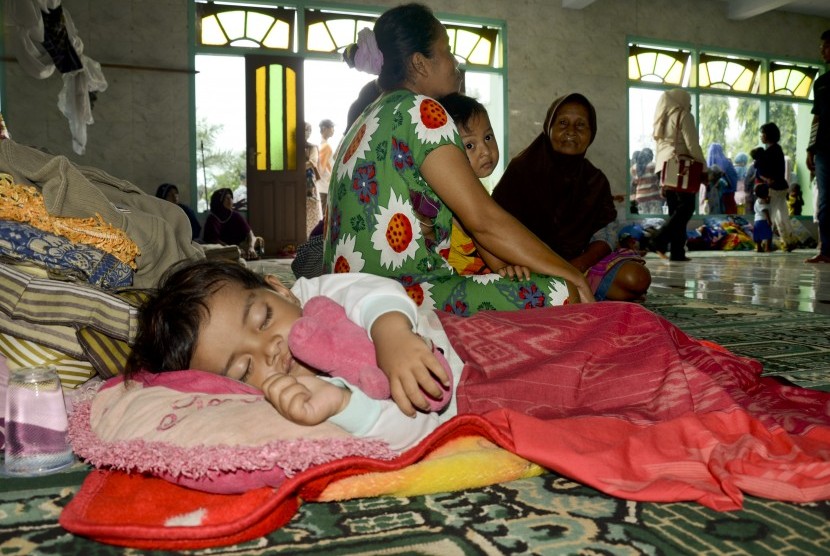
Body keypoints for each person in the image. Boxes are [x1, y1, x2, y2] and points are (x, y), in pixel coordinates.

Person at [124, 259, 830, 511]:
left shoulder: (313, 295)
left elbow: (371, 295)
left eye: (259, 317)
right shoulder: (300, 402)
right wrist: (341, 403)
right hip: (487, 395)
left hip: (478, 346)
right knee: (612, 395)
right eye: (244, 366)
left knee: (611, 331)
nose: (270, 349)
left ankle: (649, 337)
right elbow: (408, 429)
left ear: (275, 285)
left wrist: (392, 335)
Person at [323, 3, 593, 314]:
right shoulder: (421, 110)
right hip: (396, 294)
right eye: (447, 49)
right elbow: (483, 220)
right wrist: (571, 273)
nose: (454, 62)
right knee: (563, 291)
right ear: (420, 63)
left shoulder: (368, 116)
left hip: (348, 292)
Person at [492, 93, 651, 302]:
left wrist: (576, 267)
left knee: (636, 279)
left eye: (580, 125)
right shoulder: (522, 170)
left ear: (591, 133)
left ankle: (567, 290)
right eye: (563, 123)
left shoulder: (595, 180)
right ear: (548, 128)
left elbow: (606, 236)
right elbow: (496, 228)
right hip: (527, 265)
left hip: (579, 264)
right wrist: (539, 265)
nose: (571, 132)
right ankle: (566, 291)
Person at [437, 92, 527, 279]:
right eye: (469, 146)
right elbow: (485, 238)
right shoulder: (455, 193)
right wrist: (505, 267)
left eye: (488, 137)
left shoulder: (471, 188)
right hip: (462, 284)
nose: (485, 151)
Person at [649, 89, 708, 262]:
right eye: (688, 100)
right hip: (682, 167)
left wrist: (662, 181)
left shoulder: (662, 118)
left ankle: (677, 252)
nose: (689, 104)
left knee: (676, 210)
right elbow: (692, 144)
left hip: (665, 167)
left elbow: (660, 149)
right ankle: (659, 239)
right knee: (686, 208)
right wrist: (703, 168)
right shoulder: (683, 115)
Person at [806, 29, 830, 264]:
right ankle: (826, 250)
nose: (822, 50)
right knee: (824, 200)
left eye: (826, 46)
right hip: (824, 149)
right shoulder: (821, 83)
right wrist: (810, 148)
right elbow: (817, 117)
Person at [758, 122, 798, 251]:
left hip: (773, 188)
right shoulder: (778, 149)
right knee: (783, 215)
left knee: (770, 216)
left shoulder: (769, 152)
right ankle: (789, 241)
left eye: (763, 133)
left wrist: (763, 176)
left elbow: (762, 171)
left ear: (768, 135)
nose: (761, 136)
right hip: (782, 187)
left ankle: (766, 244)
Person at [202, 187, 263, 260]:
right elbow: (213, 240)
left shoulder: (235, 215)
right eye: (227, 198)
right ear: (219, 202)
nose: (230, 200)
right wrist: (233, 249)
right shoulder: (212, 219)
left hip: (238, 245)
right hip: (222, 248)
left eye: (231, 198)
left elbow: (250, 234)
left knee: (258, 240)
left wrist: (251, 247)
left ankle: (248, 254)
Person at [706, 143, 738, 214]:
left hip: (716, 196)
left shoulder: (709, 164)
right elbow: (733, 179)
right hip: (728, 194)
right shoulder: (727, 163)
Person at [631, 148, 662, 215]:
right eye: (652, 154)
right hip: (653, 196)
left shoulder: (633, 168)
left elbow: (635, 182)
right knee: (656, 219)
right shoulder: (653, 166)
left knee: (645, 219)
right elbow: (659, 180)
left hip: (640, 197)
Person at [317, 119, 335, 210]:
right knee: (324, 215)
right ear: (325, 129)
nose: (333, 130)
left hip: (322, 185)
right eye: (332, 127)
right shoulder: (326, 146)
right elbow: (321, 169)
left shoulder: (322, 145)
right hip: (324, 185)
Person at [753, 183, 773, 253]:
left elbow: (766, 203)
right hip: (764, 220)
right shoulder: (763, 201)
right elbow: (765, 211)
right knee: (768, 235)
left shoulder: (758, 200)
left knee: (758, 236)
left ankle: (759, 247)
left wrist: (769, 200)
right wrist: (769, 220)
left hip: (756, 221)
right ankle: (768, 248)